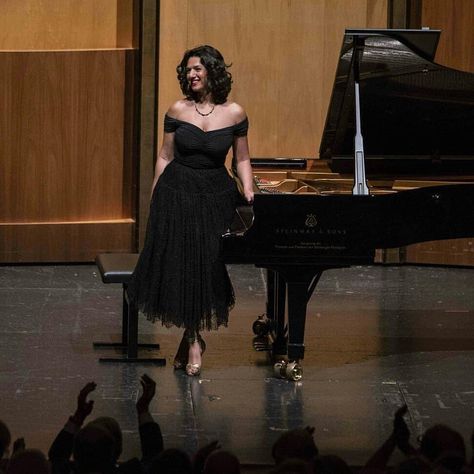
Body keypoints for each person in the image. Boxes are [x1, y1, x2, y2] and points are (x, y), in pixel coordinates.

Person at [127, 44, 254, 376]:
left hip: (215, 195)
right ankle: (195, 340)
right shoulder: (177, 110)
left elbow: (241, 158)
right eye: (188, 70)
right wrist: (155, 192)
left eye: (198, 68)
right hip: (178, 191)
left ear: (213, 70)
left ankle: (189, 336)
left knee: (206, 265)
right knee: (184, 266)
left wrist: (250, 189)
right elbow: (165, 155)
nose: (192, 74)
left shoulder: (235, 113)